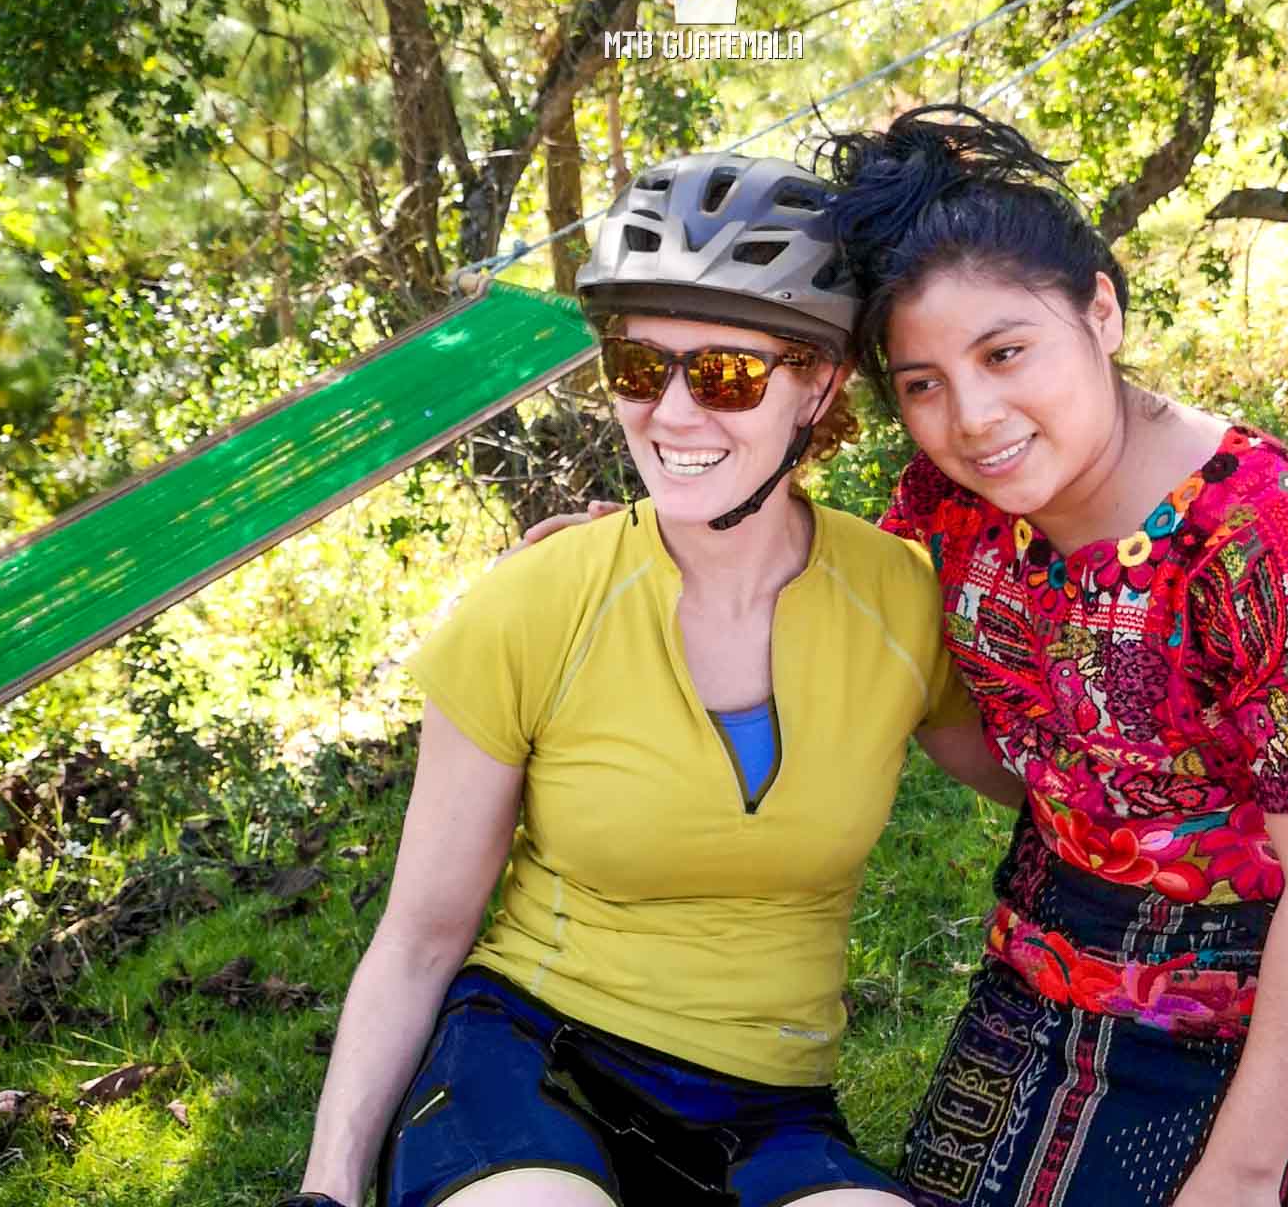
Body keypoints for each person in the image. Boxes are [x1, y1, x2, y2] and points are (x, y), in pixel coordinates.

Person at [808, 104, 1288, 1207]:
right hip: (1070, 927)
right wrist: (634, 552)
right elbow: (931, 687)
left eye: (1005, 351)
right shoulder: (947, 510)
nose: (972, 415)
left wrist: (1240, 1171)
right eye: (922, 381)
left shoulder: (1272, 538)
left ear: (1102, 311)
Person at [277, 152, 1024, 1207]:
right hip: (533, 1057)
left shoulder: (898, 597)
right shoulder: (539, 599)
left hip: (766, 1108)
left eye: (724, 373)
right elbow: (418, 937)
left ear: (817, 381)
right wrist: (327, 1189)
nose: (671, 414)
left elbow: (1059, 793)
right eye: (637, 368)